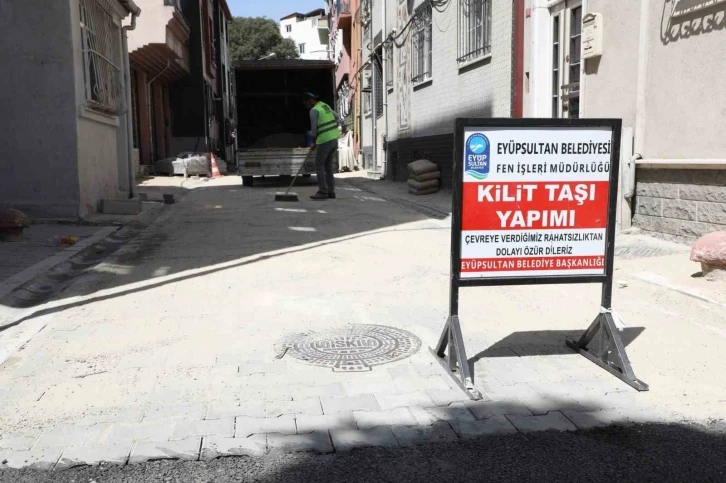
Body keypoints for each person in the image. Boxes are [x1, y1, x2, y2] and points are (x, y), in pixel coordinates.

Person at [303, 92, 341, 200]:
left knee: (319, 165)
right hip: (334, 139)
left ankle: (323, 191)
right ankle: (331, 192)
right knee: (328, 167)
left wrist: (313, 143)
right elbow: (337, 117)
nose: (306, 106)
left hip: (324, 140)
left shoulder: (314, 110)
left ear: (311, 101)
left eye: (306, 103)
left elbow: (314, 130)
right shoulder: (325, 106)